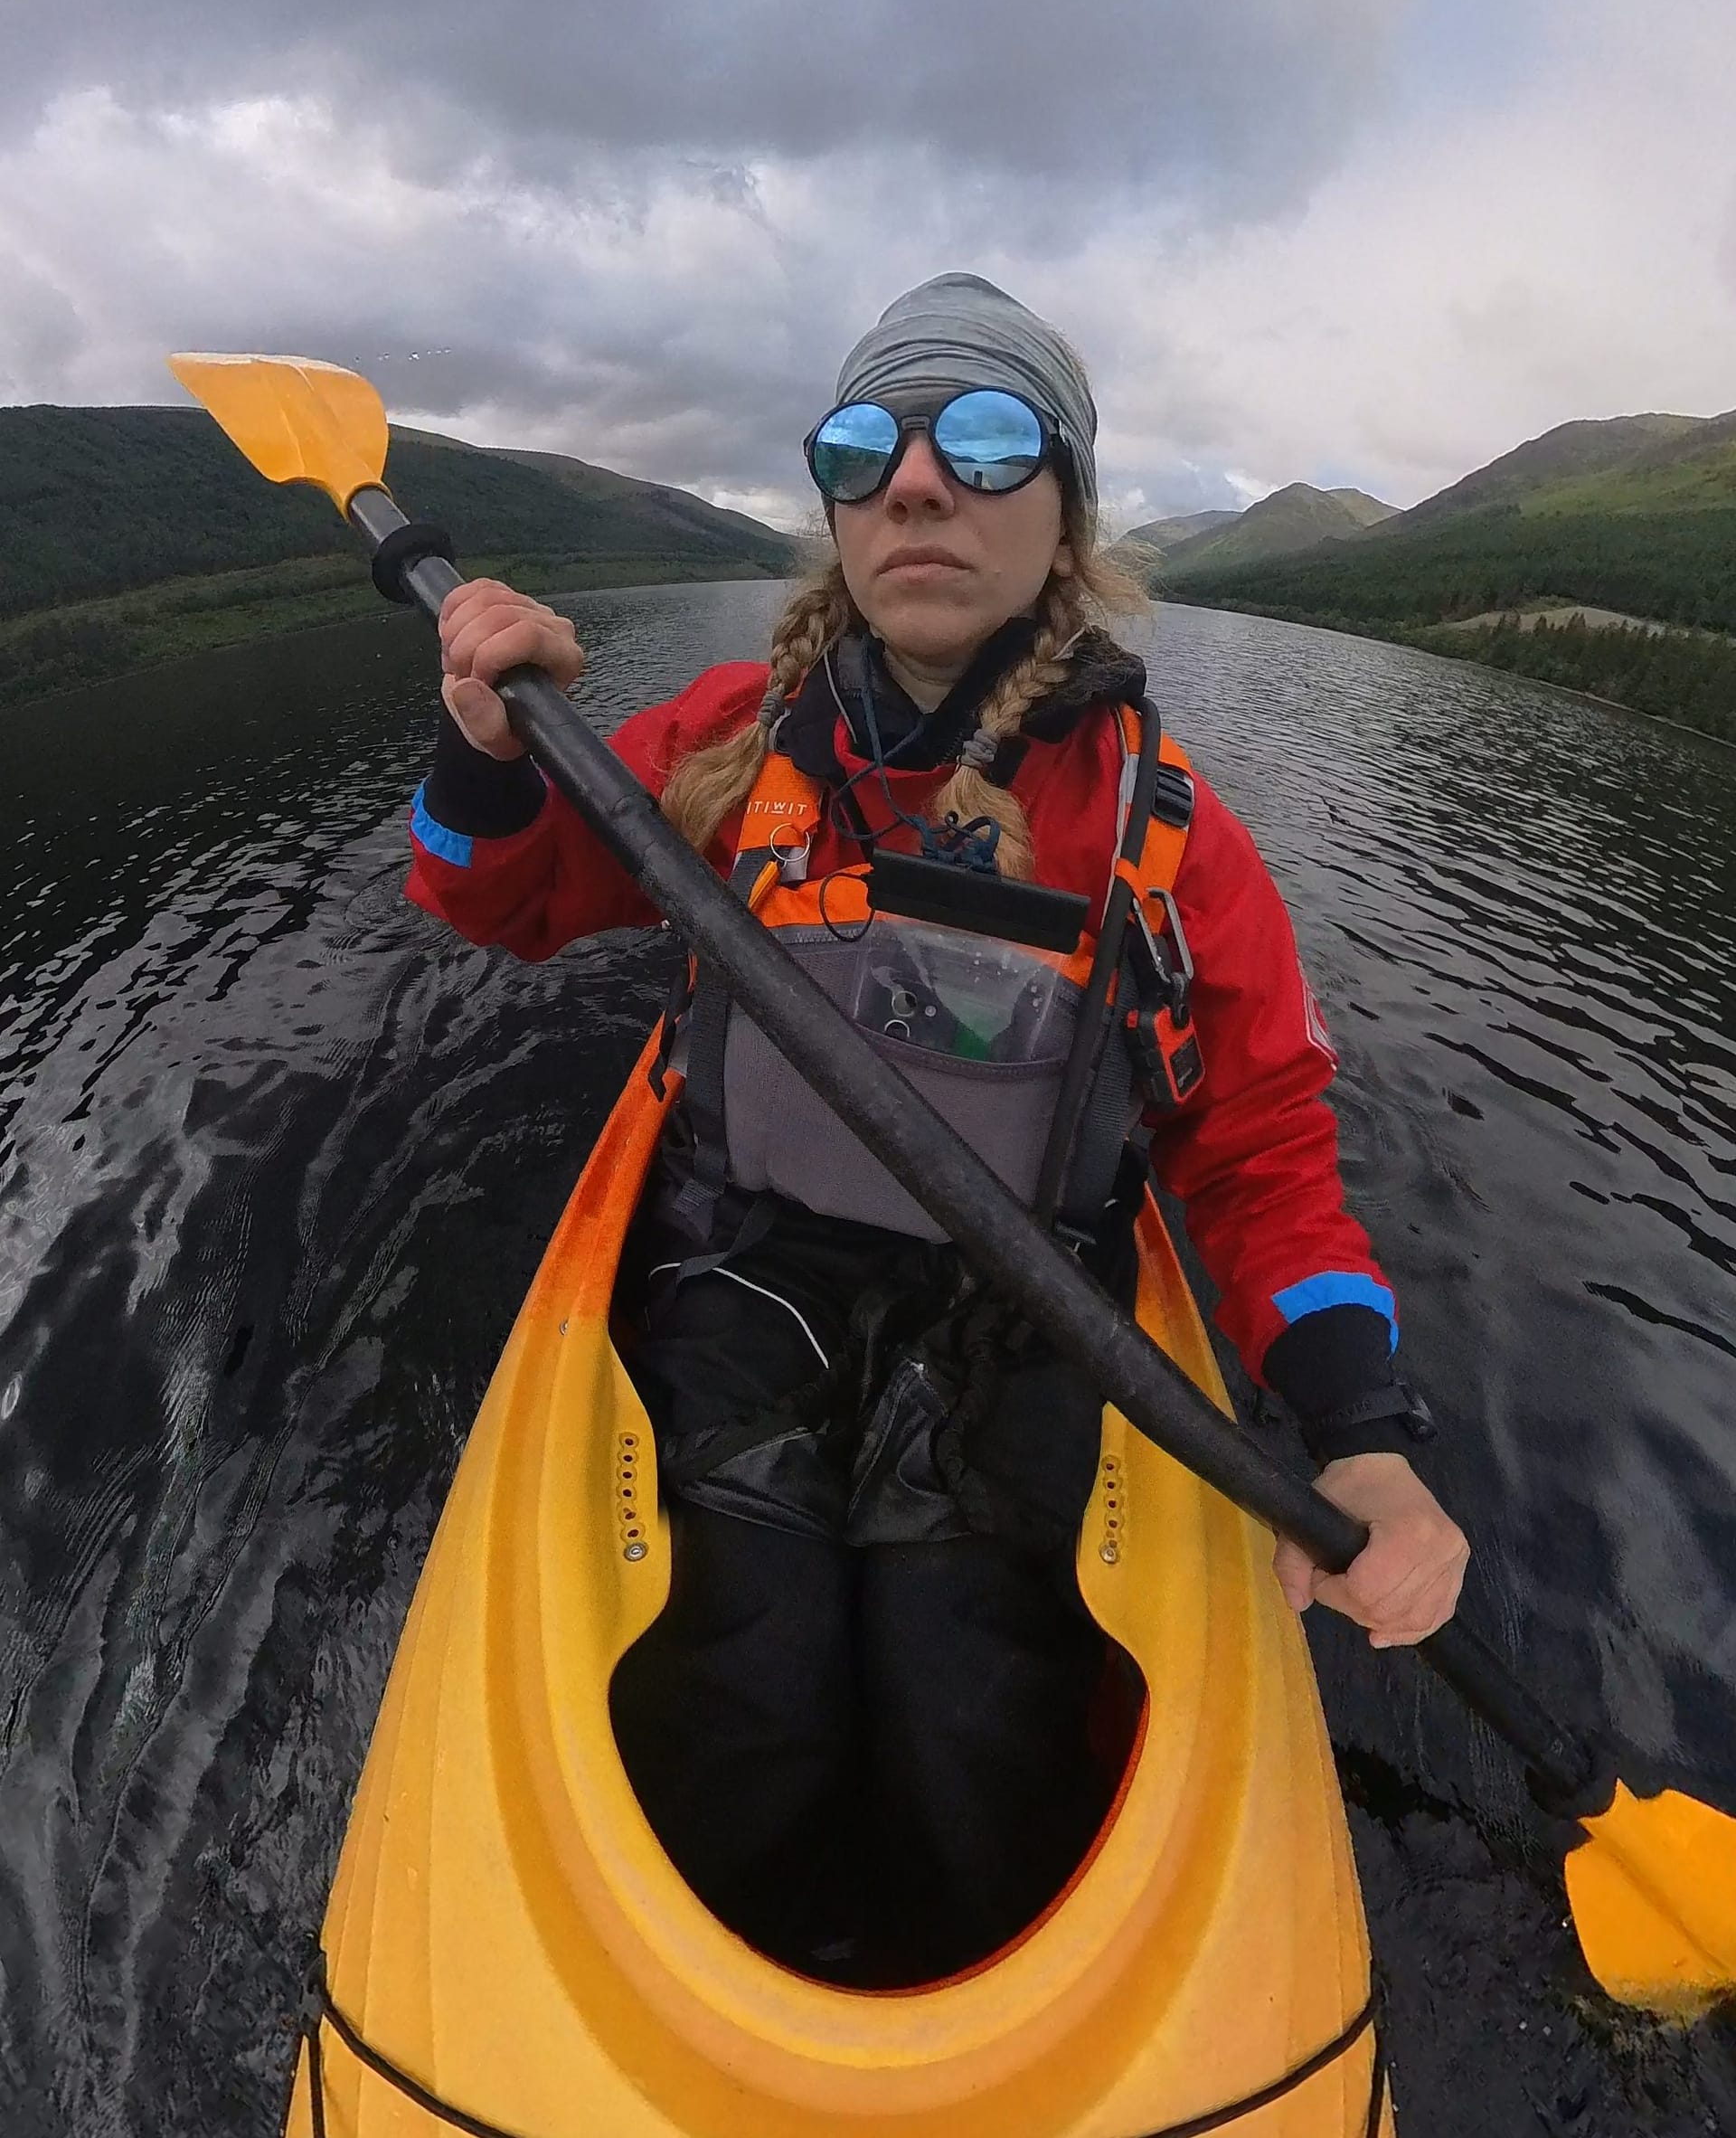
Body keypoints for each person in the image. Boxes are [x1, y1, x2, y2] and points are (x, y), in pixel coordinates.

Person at [404, 272, 1470, 1983]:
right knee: (739, 1674)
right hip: (741, 1272)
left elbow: (1260, 1154)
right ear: (834, 505)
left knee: (966, 1690)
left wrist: (1362, 1435)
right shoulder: (726, 750)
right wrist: (488, 756)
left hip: (1022, 1309)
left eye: (983, 439)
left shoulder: (1169, 837)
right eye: (867, 444)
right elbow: (502, 902)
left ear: (1065, 515)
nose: (918, 480)